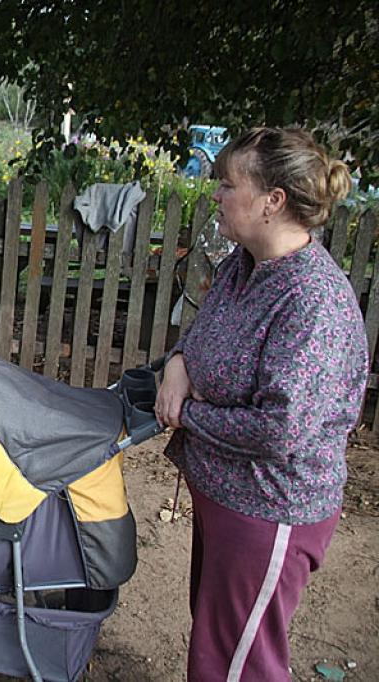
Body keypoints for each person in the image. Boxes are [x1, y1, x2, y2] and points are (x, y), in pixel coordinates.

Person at [153, 127, 368, 681]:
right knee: (217, 639)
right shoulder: (242, 266)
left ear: (273, 201)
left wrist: (186, 414)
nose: (215, 195)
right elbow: (203, 337)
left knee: (241, 661)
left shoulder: (312, 299)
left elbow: (279, 431)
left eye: (227, 185)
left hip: (270, 509)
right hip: (225, 493)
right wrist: (178, 361)